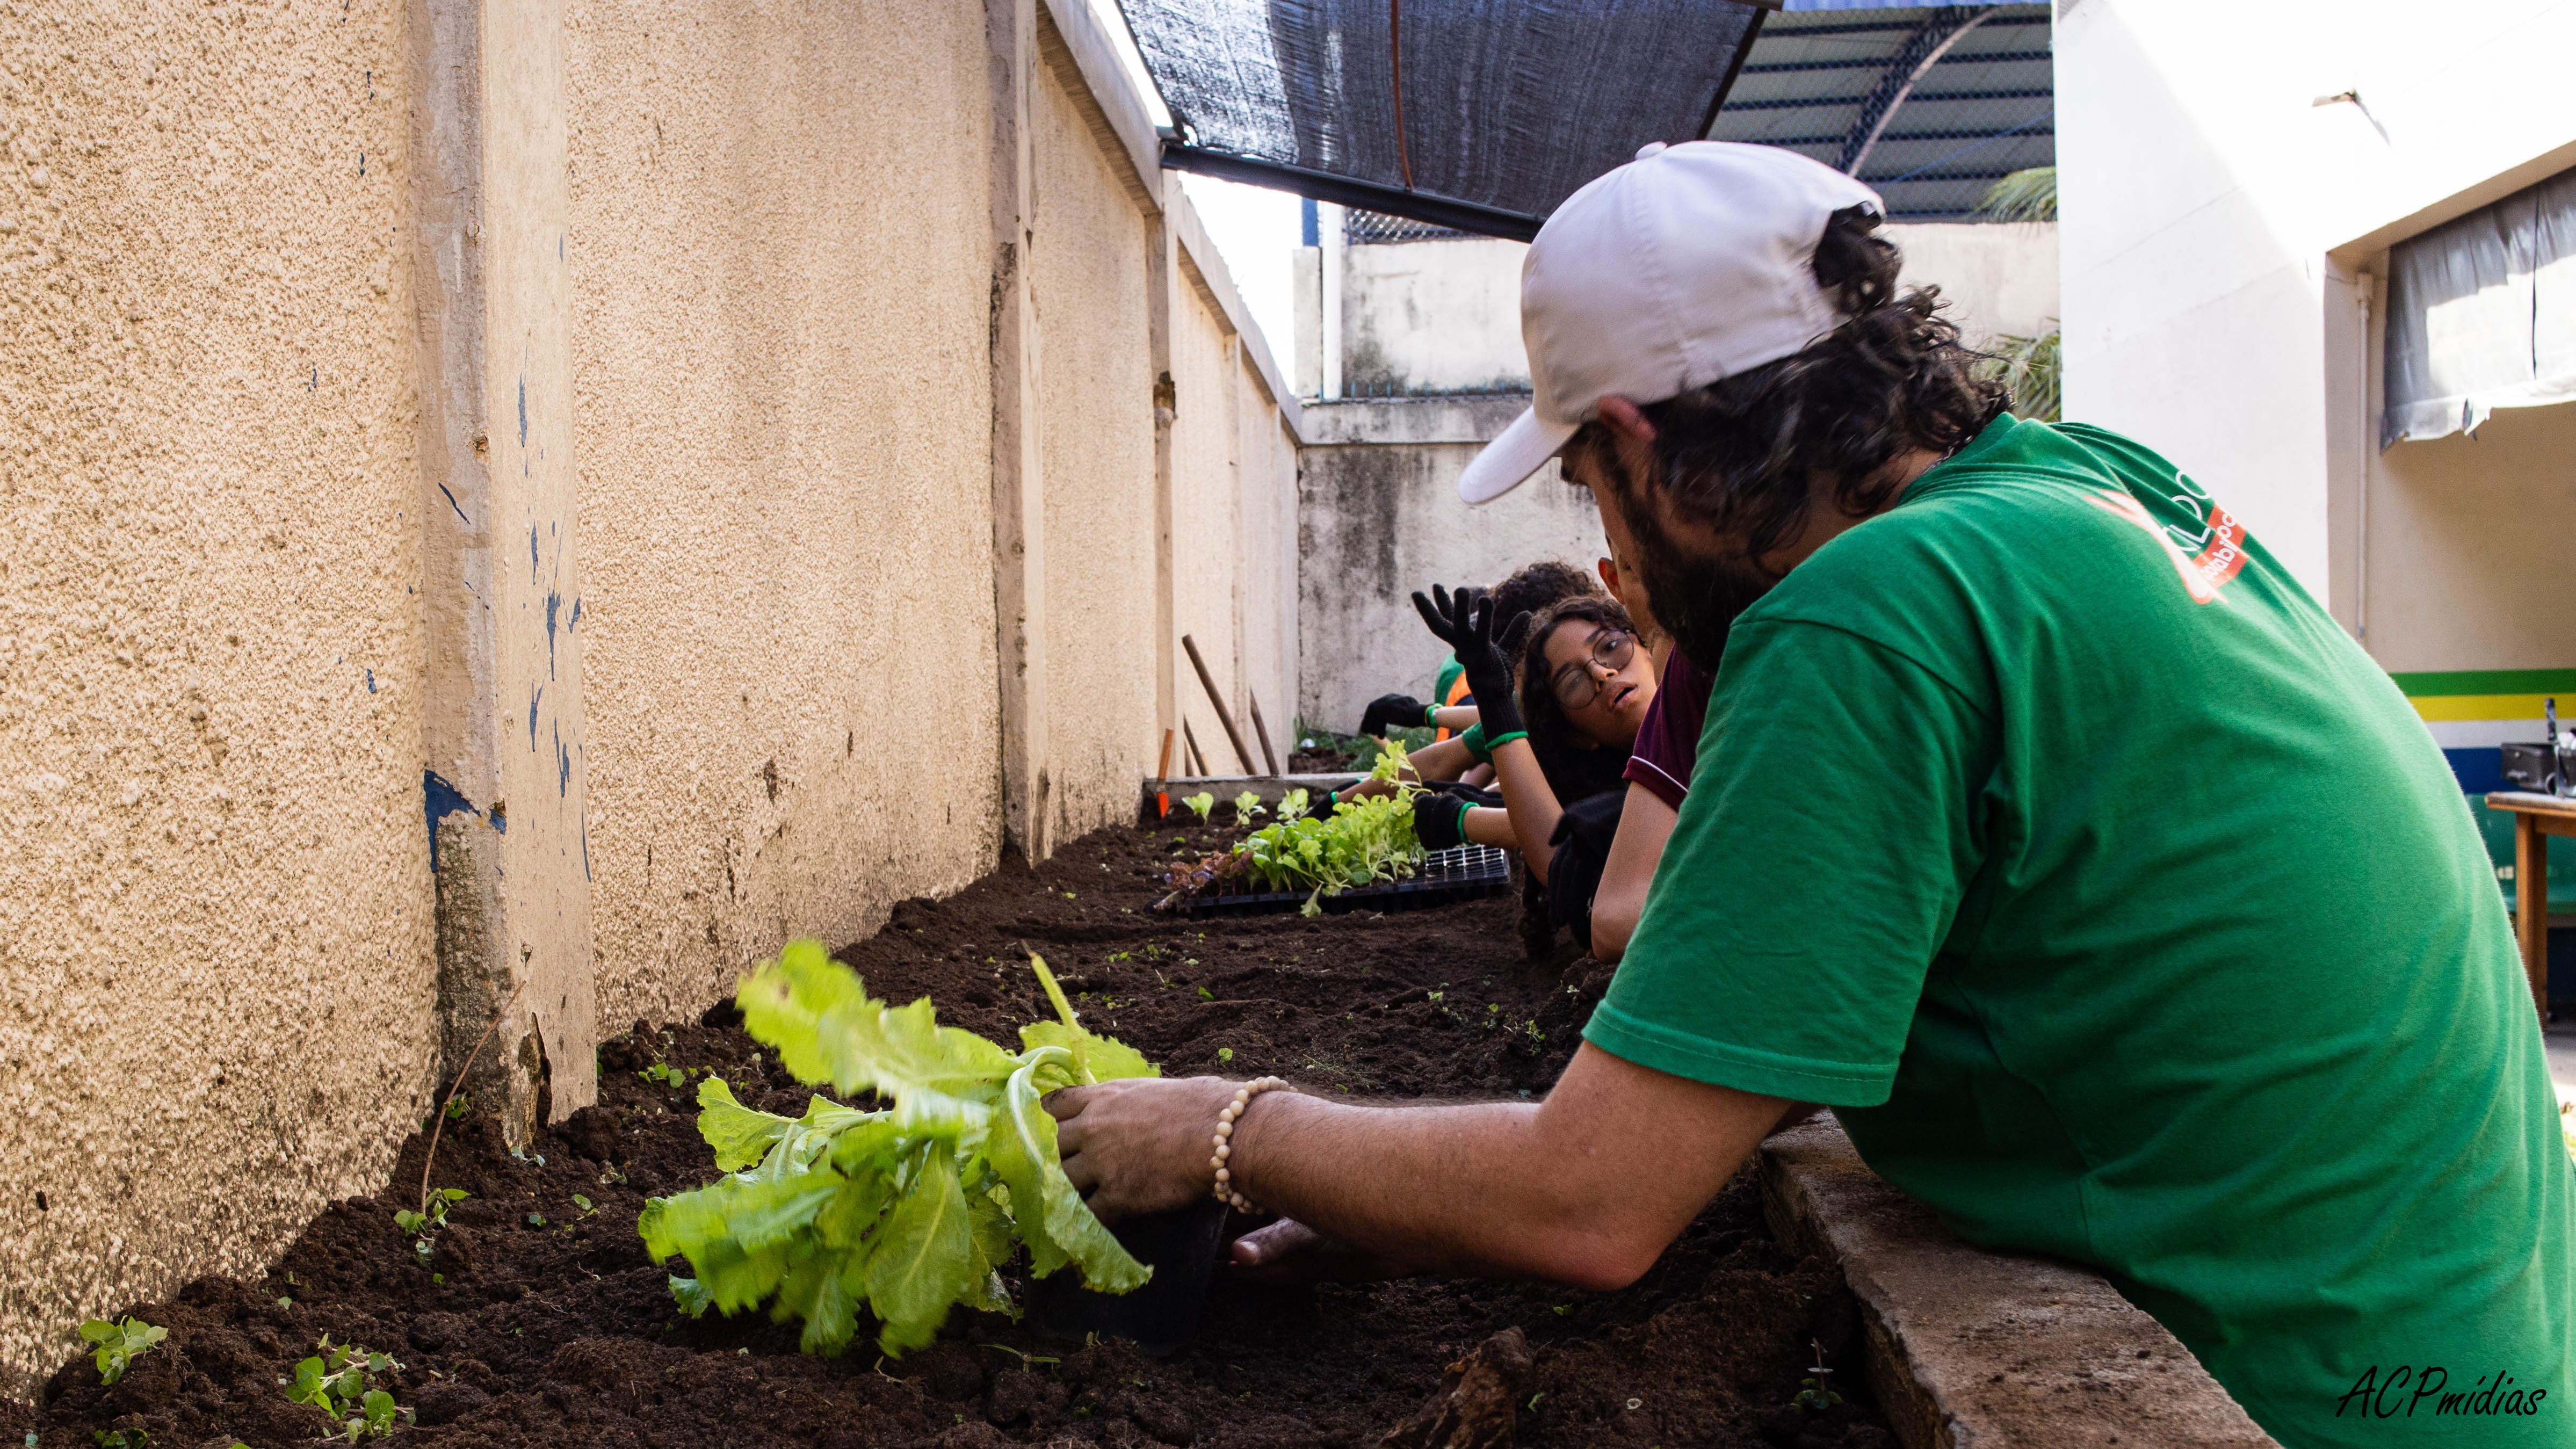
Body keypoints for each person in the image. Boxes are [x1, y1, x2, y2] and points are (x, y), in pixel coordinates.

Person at [1048, 141, 2571, 1447]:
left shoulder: (1862, 614)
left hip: (2295, 1395)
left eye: (1588, 490)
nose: (1612, 566)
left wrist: (1232, 1125)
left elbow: (1592, 1205)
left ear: (1648, 452)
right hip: (2484, 1371)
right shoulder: (2086, 485)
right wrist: (1398, 1199)